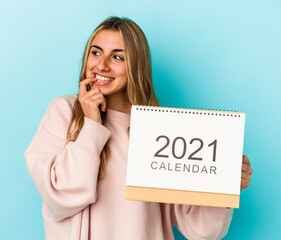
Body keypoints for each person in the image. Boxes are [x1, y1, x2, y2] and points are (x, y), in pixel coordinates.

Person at [24, 16, 253, 240]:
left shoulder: (161, 130)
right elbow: (61, 196)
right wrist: (92, 123)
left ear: (135, 65)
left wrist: (224, 189)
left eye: (117, 57)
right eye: (96, 52)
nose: (101, 65)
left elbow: (202, 230)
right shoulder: (64, 111)